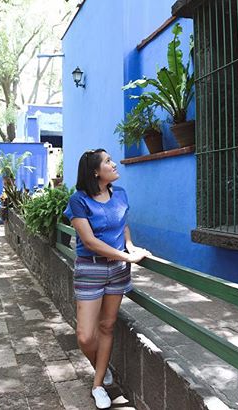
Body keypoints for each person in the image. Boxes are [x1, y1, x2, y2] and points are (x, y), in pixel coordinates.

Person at [63, 149, 151, 409]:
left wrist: (130, 245)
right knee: (85, 336)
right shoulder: (79, 200)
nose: (113, 164)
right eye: (108, 162)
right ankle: (100, 364)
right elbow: (89, 242)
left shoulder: (120, 193)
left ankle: (98, 383)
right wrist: (127, 258)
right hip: (91, 269)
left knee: (107, 326)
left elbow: (122, 224)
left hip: (118, 271)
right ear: (95, 171)